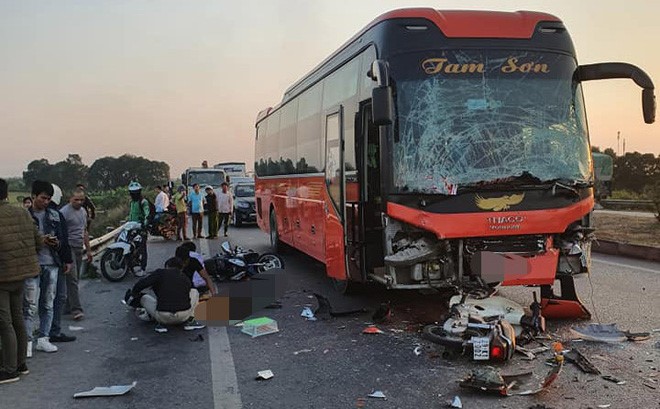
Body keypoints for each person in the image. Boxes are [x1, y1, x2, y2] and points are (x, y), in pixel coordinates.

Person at [24, 181, 72, 355]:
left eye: (48, 199)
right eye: (43, 198)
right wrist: (39, 241)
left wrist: (61, 250)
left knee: (48, 303)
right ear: (34, 196)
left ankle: (43, 338)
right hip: (31, 265)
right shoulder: (24, 216)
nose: (45, 202)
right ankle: (27, 342)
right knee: (29, 305)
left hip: (52, 263)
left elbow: (63, 240)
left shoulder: (55, 215)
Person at [0, 178, 41, 384]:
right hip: (22, 276)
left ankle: (9, 370)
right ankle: (21, 363)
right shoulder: (22, 212)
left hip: (3, 277)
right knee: (18, 319)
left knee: (4, 323)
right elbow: (38, 241)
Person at [127, 257, 206, 333]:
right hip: (183, 315)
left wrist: (134, 293)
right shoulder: (184, 277)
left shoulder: (160, 273)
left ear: (167, 266)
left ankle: (159, 323)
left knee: (144, 298)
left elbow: (141, 284)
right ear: (181, 268)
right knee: (194, 291)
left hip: (163, 316)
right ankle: (191, 320)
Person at [46, 184, 77, 344]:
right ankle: (53, 331)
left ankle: (43, 331)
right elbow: (63, 241)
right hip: (56, 262)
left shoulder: (31, 213)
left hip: (39, 263)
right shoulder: (57, 215)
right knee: (59, 296)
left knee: (41, 300)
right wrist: (68, 261)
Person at [59, 189, 93, 321]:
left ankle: (67, 306)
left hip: (79, 247)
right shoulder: (64, 212)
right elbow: (60, 233)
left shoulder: (83, 211)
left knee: (76, 278)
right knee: (72, 279)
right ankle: (76, 309)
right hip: (68, 248)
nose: (79, 202)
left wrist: (89, 250)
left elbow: (84, 231)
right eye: (76, 200)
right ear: (70, 199)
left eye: (81, 200)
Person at [127, 181, 149, 275]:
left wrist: (145, 224)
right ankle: (130, 265)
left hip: (141, 228)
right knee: (130, 246)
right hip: (132, 227)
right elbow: (131, 214)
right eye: (132, 192)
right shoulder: (132, 202)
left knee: (142, 248)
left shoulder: (143, 202)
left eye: (135, 192)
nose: (134, 194)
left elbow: (147, 214)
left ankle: (143, 268)